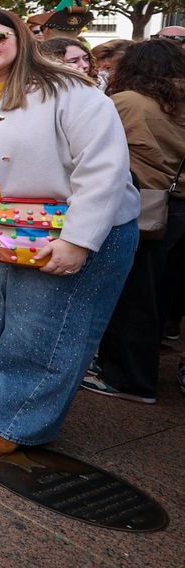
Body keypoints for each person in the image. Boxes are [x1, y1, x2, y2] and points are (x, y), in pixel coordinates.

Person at [0, 8, 140, 455]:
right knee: (9, 324)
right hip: (11, 231)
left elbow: (104, 169)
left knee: (50, 332)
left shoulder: (70, 91)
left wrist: (77, 241)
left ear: (21, 39)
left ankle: (19, 425)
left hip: (76, 230)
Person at [83, 40, 185, 404]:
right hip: (179, 208)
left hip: (144, 206)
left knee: (133, 296)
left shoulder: (126, 102)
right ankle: (143, 367)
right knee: (162, 295)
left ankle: (128, 379)